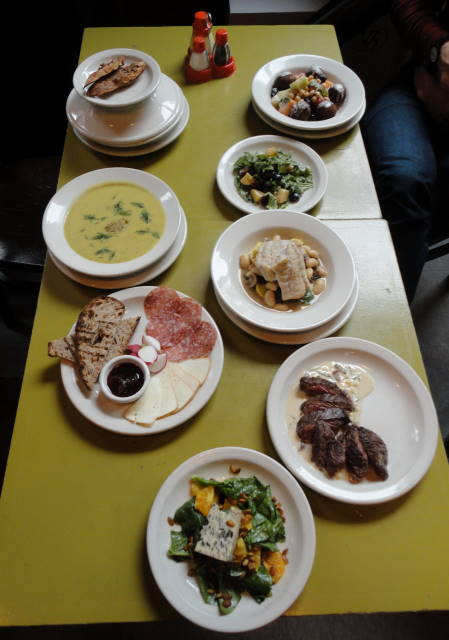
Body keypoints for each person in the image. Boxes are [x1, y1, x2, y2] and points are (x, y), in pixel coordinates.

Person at [361, 0, 449, 302]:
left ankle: (387, 310)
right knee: (402, 176)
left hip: (436, 96)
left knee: (418, 204)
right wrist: (439, 48)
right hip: (417, 91)